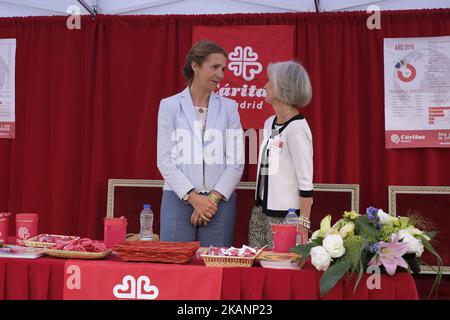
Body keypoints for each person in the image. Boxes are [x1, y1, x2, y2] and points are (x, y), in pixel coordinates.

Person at [157, 40, 244, 247]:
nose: (221, 74)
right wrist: (194, 198)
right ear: (195, 66)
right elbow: (164, 160)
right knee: (175, 266)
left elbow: (237, 161)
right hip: (178, 198)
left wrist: (211, 200)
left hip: (219, 202)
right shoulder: (169, 106)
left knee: (215, 268)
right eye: (214, 67)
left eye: (223, 68)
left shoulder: (229, 107)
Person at [248, 60, 314, 248]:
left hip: (286, 216)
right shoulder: (269, 122)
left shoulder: (297, 128)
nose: (265, 85)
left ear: (284, 88)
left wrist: (303, 225)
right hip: (261, 211)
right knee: (258, 265)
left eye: (271, 82)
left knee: (281, 269)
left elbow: (305, 182)